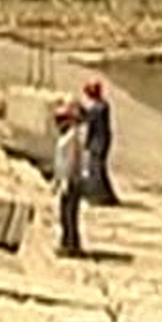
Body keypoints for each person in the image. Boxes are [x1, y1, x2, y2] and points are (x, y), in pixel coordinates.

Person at [52, 102, 88, 258]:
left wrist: (66, 181)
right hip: (64, 181)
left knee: (69, 215)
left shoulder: (72, 138)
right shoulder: (64, 137)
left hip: (72, 182)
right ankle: (67, 242)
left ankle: (71, 245)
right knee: (63, 214)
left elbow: (71, 162)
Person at [79, 79, 119, 205]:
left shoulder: (98, 107)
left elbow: (88, 120)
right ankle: (105, 195)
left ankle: (104, 196)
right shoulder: (103, 105)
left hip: (99, 141)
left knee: (97, 168)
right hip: (102, 140)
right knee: (99, 168)